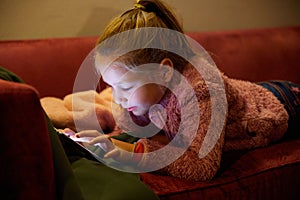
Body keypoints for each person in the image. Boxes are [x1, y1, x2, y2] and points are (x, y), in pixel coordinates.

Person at [73, 0, 300, 181]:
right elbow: (128, 131)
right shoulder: (141, 94)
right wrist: (104, 143)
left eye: (126, 87)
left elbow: (202, 166)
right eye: (112, 87)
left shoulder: (202, 90)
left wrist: (136, 156)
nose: (118, 97)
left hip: (284, 102)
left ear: (164, 72)